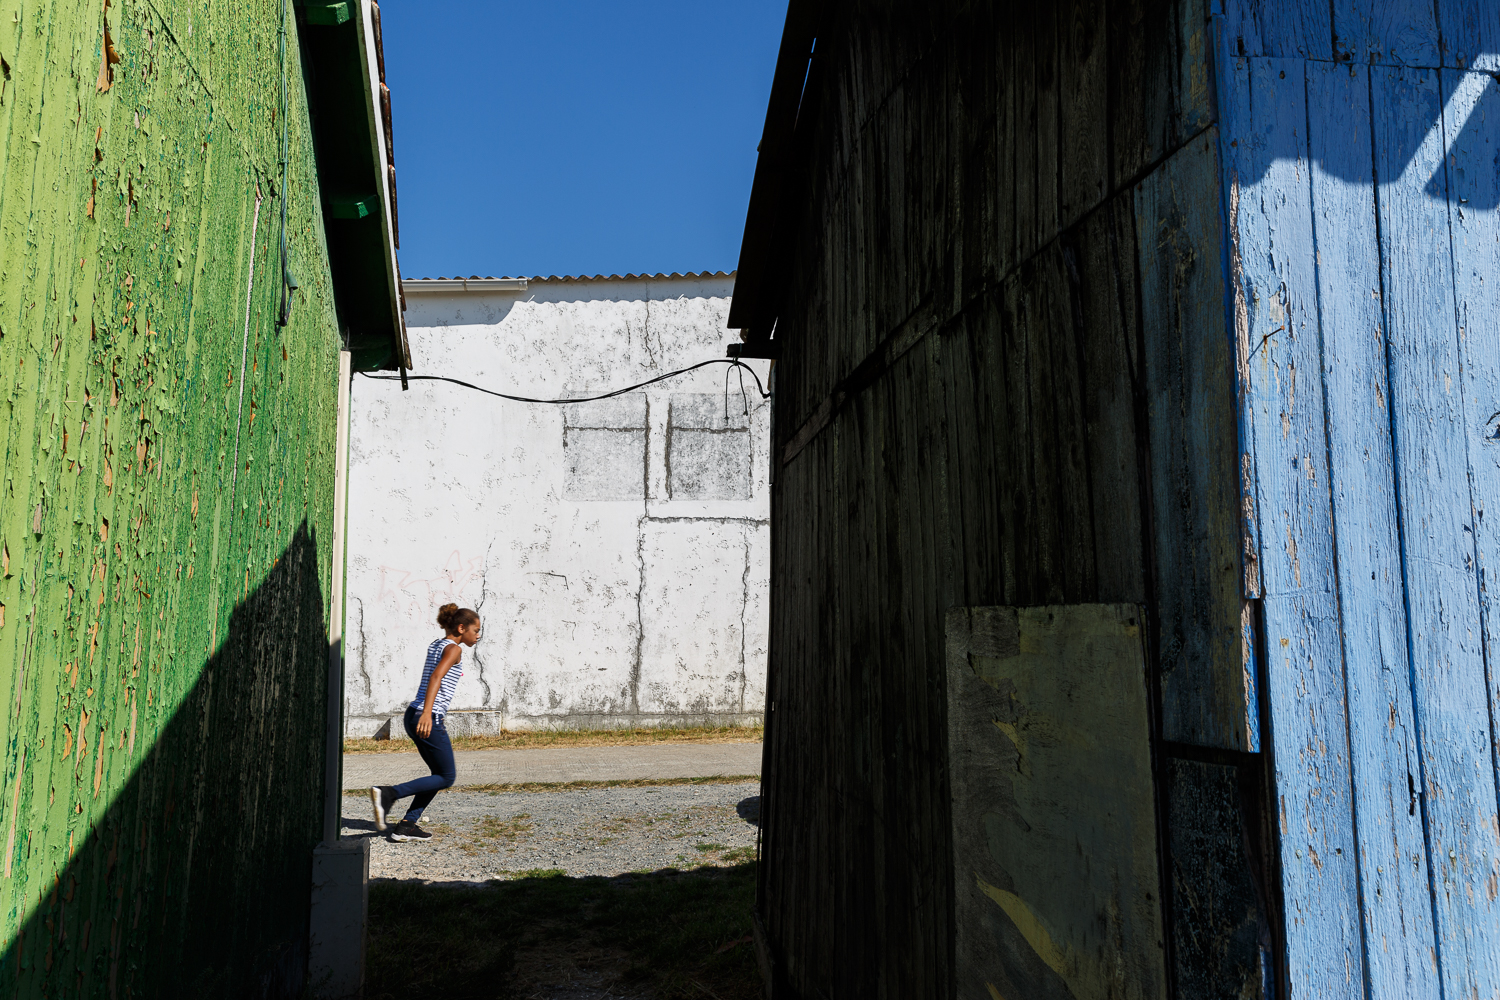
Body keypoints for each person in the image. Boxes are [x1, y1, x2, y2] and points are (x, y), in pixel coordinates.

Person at [369, 602, 481, 841]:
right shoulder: (454, 649)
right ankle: (388, 794)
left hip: (414, 713)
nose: (478, 635)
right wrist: (429, 712)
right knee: (446, 776)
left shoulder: (437, 644)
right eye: (476, 630)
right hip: (427, 715)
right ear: (461, 628)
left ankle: (407, 825)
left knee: (437, 774)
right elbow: (436, 677)